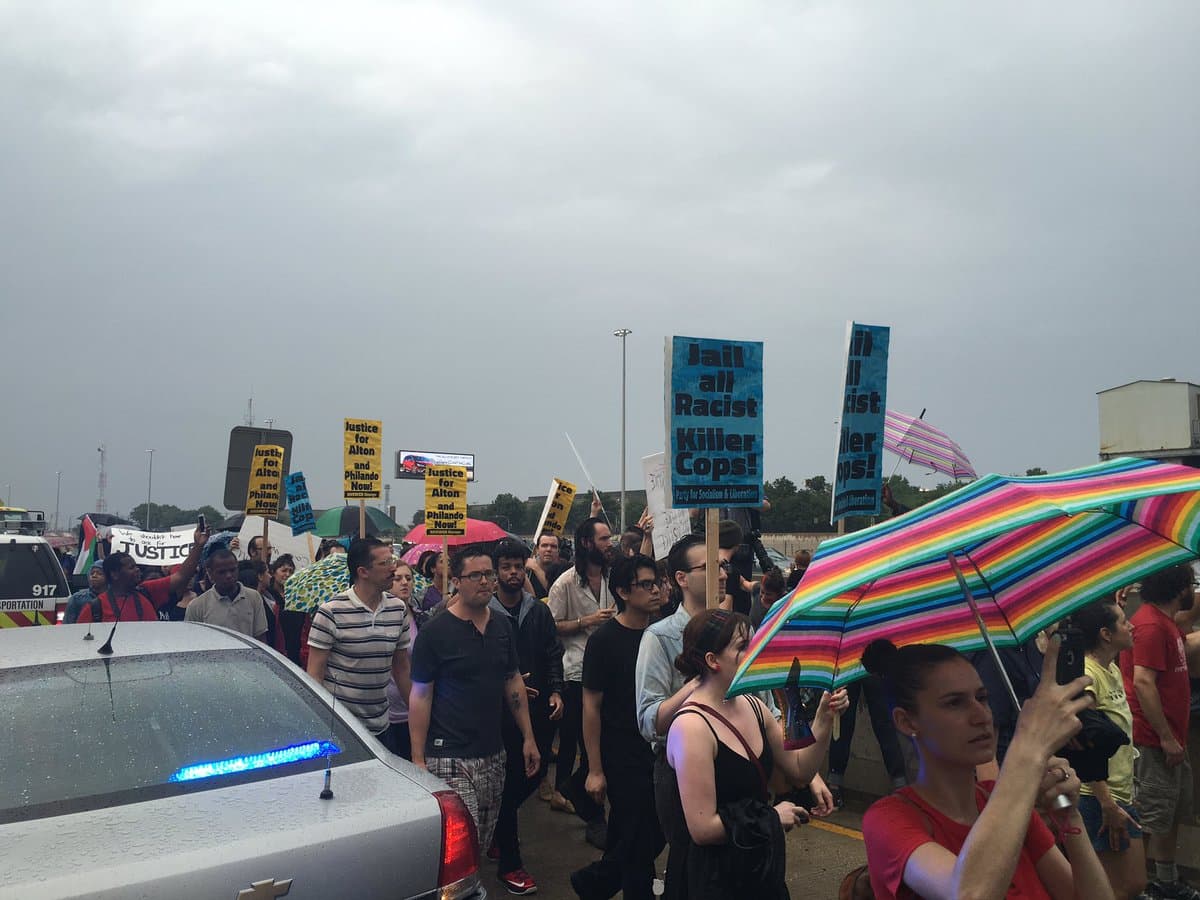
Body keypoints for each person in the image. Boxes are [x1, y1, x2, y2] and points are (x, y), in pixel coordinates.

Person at [860, 636, 1113, 900]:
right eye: (954, 703)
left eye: (982, 698)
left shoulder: (997, 798)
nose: (981, 715)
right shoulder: (889, 819)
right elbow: (969, 893)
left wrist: (1070, 817)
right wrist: (1024, 755)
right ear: (907, 721)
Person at [667, 608, 846, 900]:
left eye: (753, 643)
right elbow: (702, 828)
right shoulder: (691, 726)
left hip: (758, 865)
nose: (755, 652)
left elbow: (800, 769)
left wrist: (824, 717)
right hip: (713, 880)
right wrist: (772, 818)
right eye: (742, 647)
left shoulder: (754, 706)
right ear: (712, 661)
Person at [409, 546, 540, 859]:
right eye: (475, 575)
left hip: (493, 752)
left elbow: (513, 680)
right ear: (456, 581)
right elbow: (421, 694)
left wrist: (529, 737)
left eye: (488, 574)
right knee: (460, 845)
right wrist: (417, 758)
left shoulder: (502, 626)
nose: (485, 581)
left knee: (480, 842)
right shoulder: (434, 632)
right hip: (449, 754)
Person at [571, 554, 666, 900]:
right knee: (636, 835)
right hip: (620, 754)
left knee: (649, 833)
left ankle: (595, 882)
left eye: (657, 582)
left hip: (659, 750)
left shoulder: (663, 635)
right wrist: (594, 769)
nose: (655, 590)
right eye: (645, 584)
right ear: (624, 592)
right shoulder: (604, 641)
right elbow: (591, 707)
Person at [488, 538, 565, 896]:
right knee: (506, 782)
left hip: (538, 710)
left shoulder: (538, 610)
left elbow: (553, 652)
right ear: (495, 571)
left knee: (533, 778)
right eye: (506, 566)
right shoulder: (483, 610)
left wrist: (555, 690)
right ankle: (510, 862)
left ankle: (496, 829)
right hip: (499, 713)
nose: (514, 573)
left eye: (519, 566)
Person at [1120, 563, 1200, 900]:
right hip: (1154, 741)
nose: (1193, 593)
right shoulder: (1151, 625)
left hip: (1172, 739)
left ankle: (1165, 881)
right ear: (1181, 588)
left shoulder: (1166, 623)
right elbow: (1142, 682)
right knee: (1150, 818)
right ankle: (1135, 886)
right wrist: (1166, 738)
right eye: (1191, 586)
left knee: (1170, 813)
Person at [547, 517, 617, 847]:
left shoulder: (612, 578)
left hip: (611, 670)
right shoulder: (564, 584)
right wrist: (585, 621)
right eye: (603, 538)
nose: (609, 543)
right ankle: (594, 816)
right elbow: (552, 626)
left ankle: (576, 791)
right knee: (585, 746)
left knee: (603, 744)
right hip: (577, 672)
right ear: (587, 543)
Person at [1071, 599, 1145, 900]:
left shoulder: (1111, 668)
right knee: (1116, 889)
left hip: (1121, 792)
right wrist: (1107, 804)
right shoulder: (1088, 676)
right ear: (1105, 633)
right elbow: (1083, 743)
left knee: (1135, 882)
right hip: (1098, 797)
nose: (1131, 625)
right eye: (1123, 621)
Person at [306, 538, 412, 741]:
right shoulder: (331, 612)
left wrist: (417, 714)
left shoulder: (398, 609)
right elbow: (315, 676)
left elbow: (401, 668)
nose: (393, 569)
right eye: (384, 564)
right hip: (340, 728)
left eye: (392, 561)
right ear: (363, 572)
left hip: (382, 725)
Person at [77, 525, 207, 623]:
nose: (137, 570)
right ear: (115, 574)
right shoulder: (95, 609)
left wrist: (198, 546)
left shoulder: (147, 592)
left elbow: (182, 576)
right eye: (131, 567)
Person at [186, 548, 268, 639]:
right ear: (210, 573)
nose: (228, 575)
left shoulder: (254, 597)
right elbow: (193, 641)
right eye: (222, 572)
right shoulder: (197, 606)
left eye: (232, 570)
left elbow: (260, 638)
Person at [382, 561, 419, 760]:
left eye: (408, 578)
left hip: (415, 707)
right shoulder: (382, 618)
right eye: (397, 579)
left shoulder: (420, 616)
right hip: (388, 712)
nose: (404, 583)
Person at [526, 533, 566, 600]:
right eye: (544, 546)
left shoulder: (565, 570)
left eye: (553, 546)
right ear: (537, 550)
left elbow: (557, 595)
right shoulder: (528, 571)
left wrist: (536, 568)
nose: (549, 549)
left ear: (558, 551)